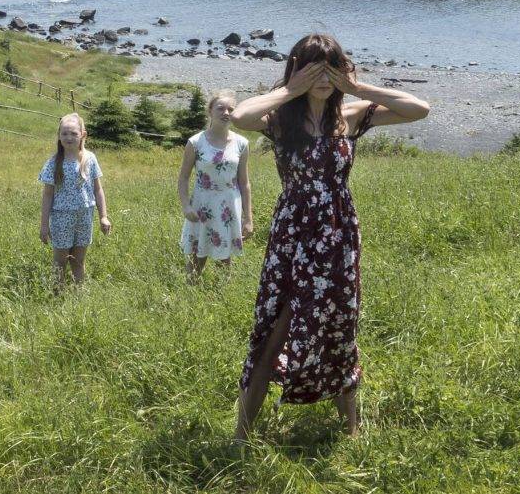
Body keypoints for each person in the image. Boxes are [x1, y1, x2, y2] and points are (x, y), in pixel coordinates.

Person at [230, 33, 430, 440]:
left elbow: (419, 109)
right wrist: (291, 90)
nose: (323, 77)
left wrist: (356, 86)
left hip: (338, 237)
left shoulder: (351, 116)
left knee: (339, 325)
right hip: (293, 236)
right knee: (276, 327)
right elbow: (238, 116)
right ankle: (243, 432)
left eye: (331, 66)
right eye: (312, 66)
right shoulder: (280, 118)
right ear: (297, 69)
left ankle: (351, 429)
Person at [178, 91, 253, 281]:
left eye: (230, 109)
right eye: (220, 108)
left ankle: (221, 295)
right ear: (210, 111)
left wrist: (248, 219)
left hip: (228, 206)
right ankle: (190, 293)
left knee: (224, 256)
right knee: (197, 254)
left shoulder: (242, 144)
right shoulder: (195, 142)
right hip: (202, 205)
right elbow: (184, 178)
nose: (226, 112)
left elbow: (244, 183)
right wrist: (186, 206)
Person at [39, 113, 111, 290]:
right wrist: (44, 225)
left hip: (84, 218)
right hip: (61, 219)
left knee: (78, 260)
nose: (68, 137)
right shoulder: (54, 163)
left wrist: (103, 217)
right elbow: (47, 195)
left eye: (73, 133)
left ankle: (79, 294)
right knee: (60, 260)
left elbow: (97, 189)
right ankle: (57, 293)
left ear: (83, 135)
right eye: (64, 133)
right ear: (59, 136)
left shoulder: (90, 159)